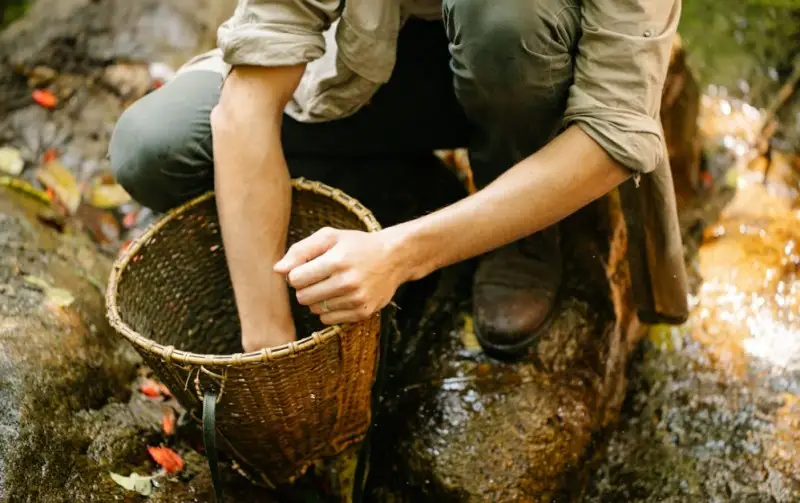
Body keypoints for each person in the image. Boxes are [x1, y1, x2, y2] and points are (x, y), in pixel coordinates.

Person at [110, 0, 688, 360]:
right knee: (154, 150)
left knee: (506, 17)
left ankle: (519, 235)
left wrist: (402, 253)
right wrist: (269, 343)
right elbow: (246, 104)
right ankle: (415, 191)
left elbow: (612, 135)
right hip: (372, 67)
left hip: (531, 61)